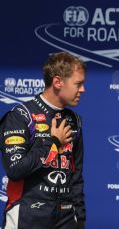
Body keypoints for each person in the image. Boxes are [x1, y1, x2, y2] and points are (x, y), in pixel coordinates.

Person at [0, 52, 86, 228]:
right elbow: (15, 170)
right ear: (57, 82)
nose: (82, 89)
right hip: (27, 214)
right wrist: (53, 143)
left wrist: (80, 218)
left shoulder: (74, 120)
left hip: (66, 217)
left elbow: (76, 175)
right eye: (78, 84)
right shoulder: (21, 116)